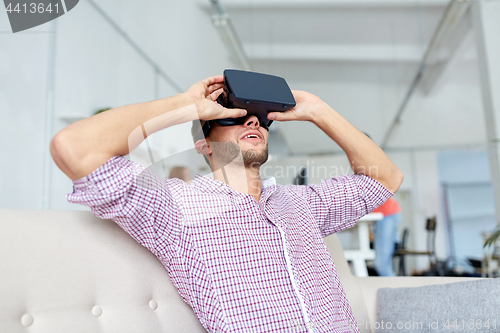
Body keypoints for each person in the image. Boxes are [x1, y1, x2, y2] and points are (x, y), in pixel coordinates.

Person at [50, 75, 403, 333]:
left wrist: (319, 110)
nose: (252, 120)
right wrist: (183, 106)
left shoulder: (301, 204)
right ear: (204, 145)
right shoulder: (176, 207)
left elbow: (386, 178)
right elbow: (75, 148)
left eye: (259, 118)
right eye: (231, 115)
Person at [373, 197, 402, 276]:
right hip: (385, 215)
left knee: (382, 264)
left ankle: (394, 288)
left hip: (386, 214)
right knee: (383, 264)